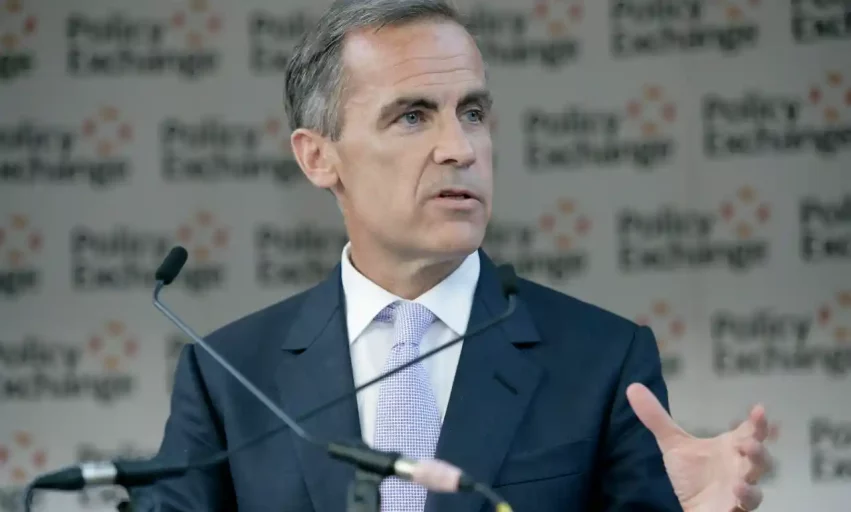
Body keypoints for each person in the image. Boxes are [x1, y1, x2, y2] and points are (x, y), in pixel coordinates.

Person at [143, 1, 771, 510]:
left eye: (472, 113)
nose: (461, 148)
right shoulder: (228, 376)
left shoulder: (604, 362)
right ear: (318, 157)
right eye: (413, 117)